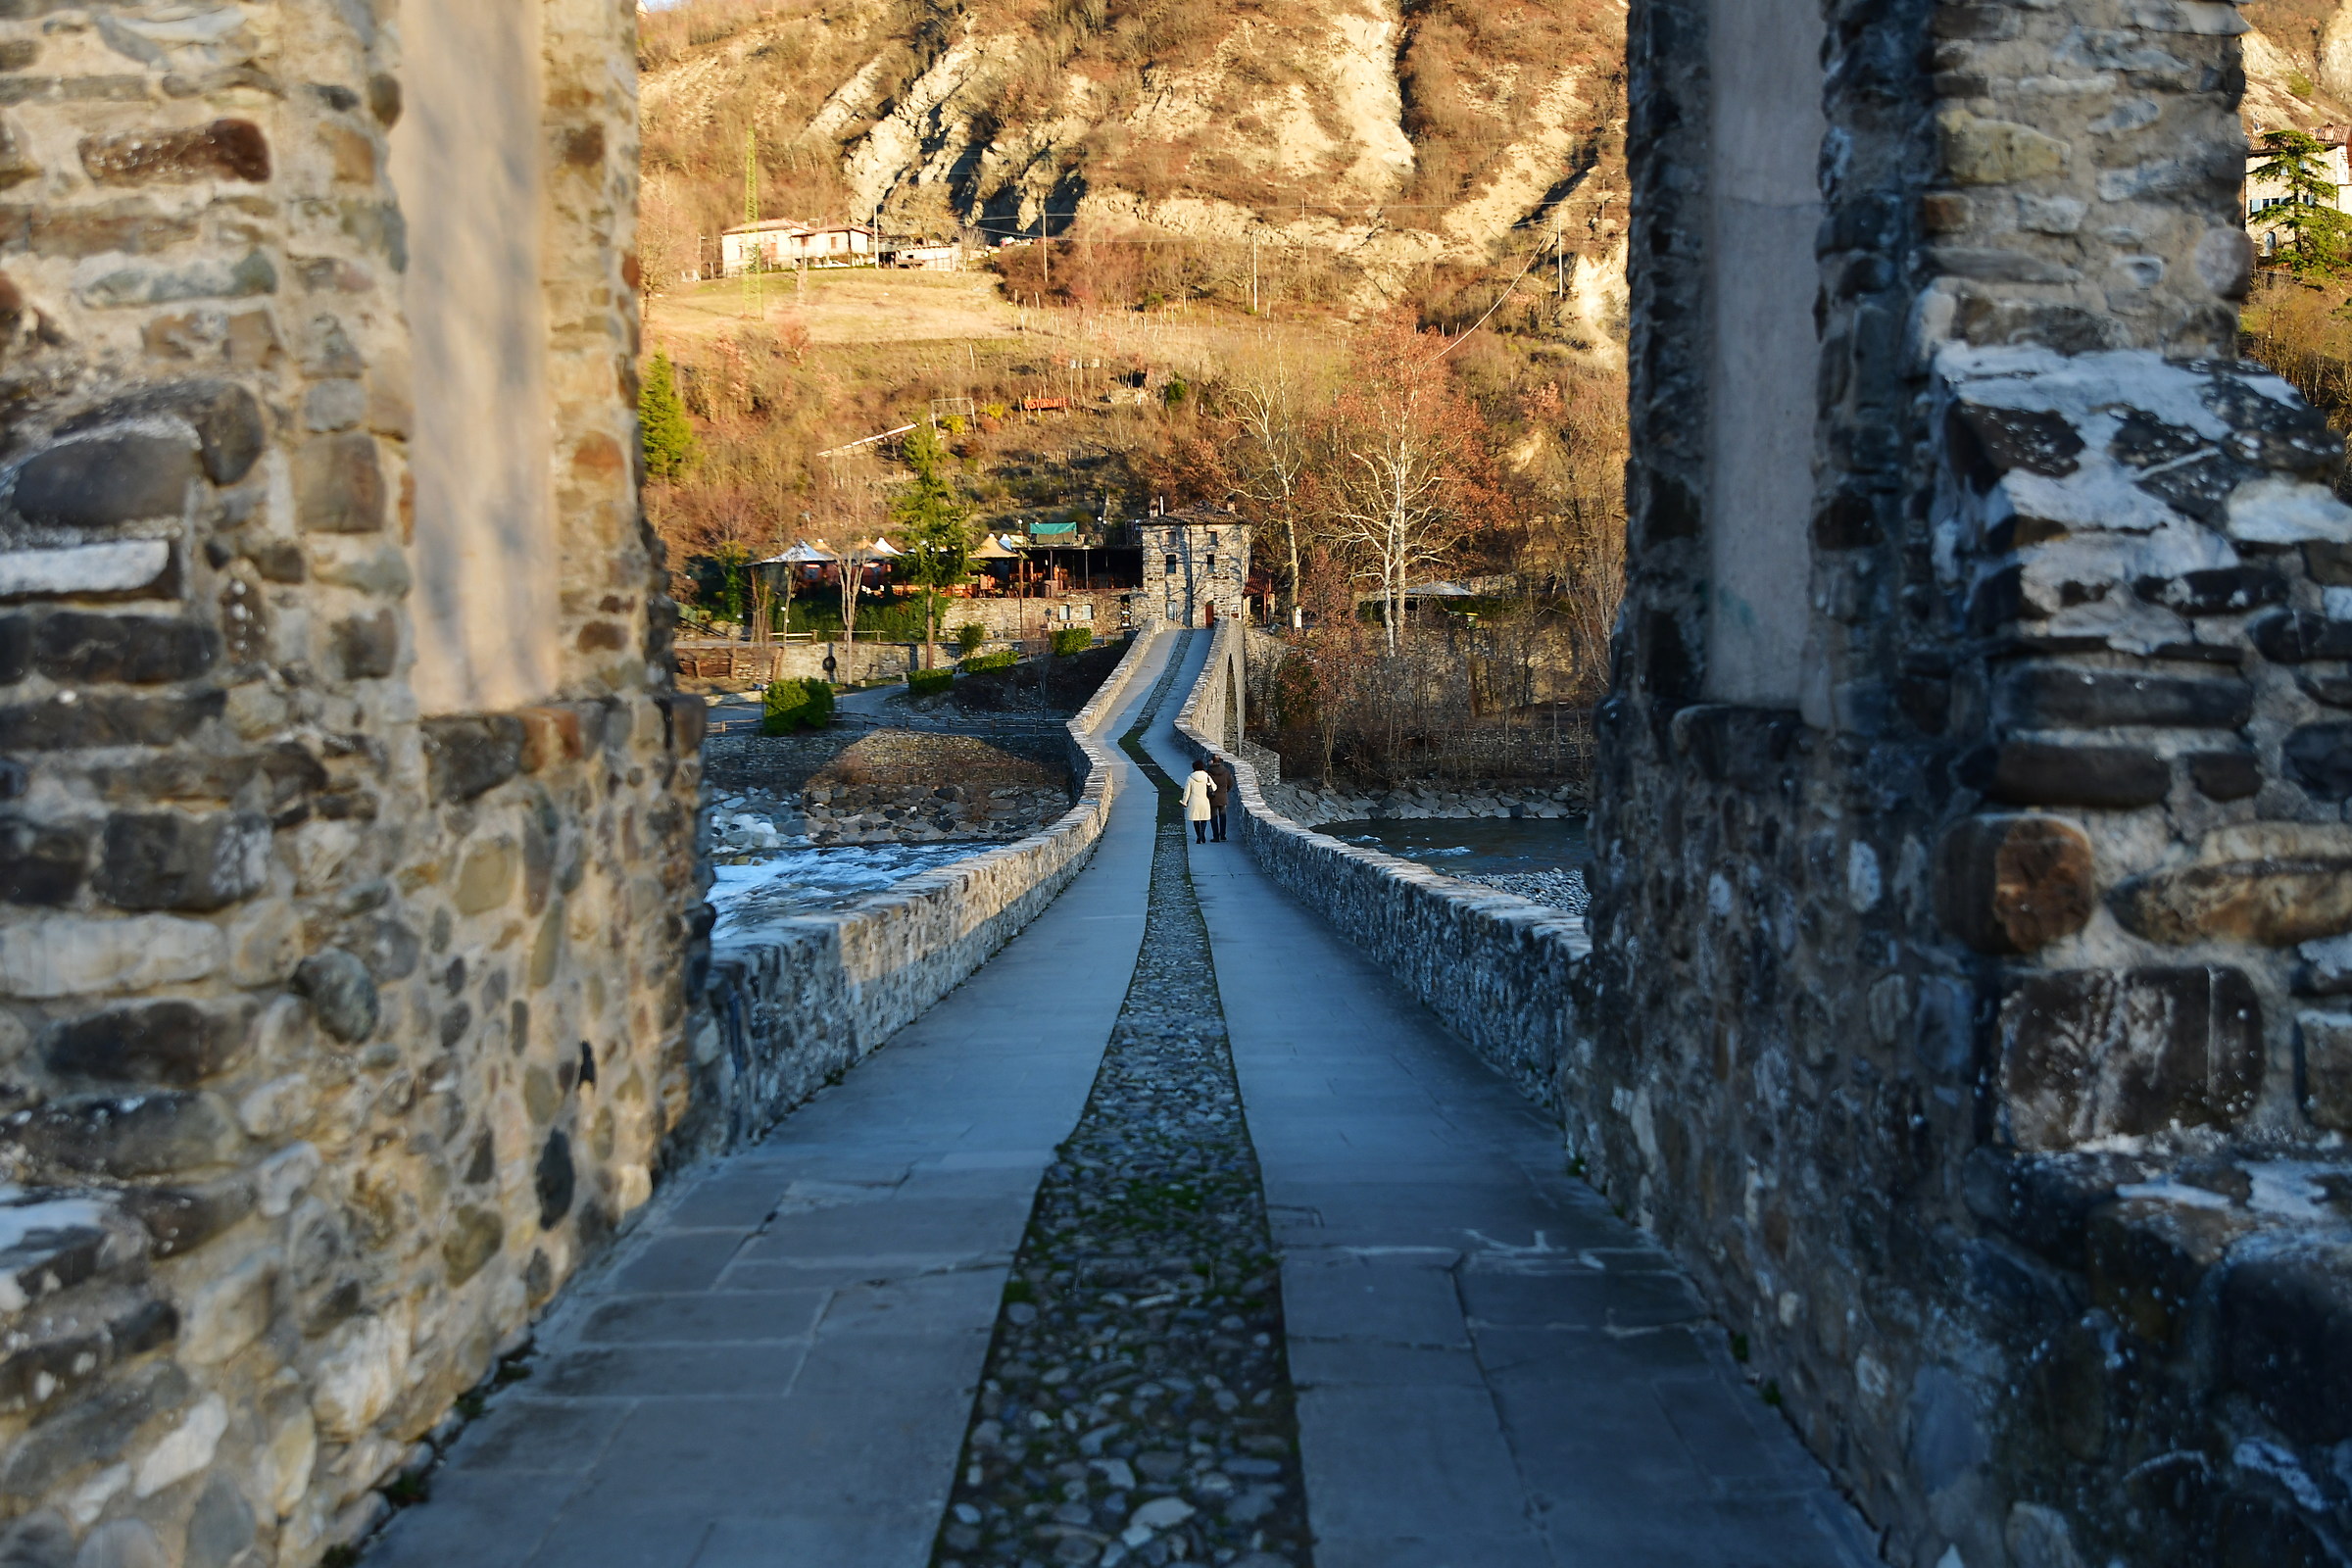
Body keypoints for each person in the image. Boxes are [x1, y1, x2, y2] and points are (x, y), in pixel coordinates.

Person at [1181, 760, 1215, 844]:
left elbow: (1187, 792)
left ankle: (1198, 836)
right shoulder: (1207, 776)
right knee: (1204, 819)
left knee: (1195, 819)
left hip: (1194, 801)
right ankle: (1203, 833)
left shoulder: (1190, 778)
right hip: (1204, 800)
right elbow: (1214, 787)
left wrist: (1184, 802)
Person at [1206, 753, 1235, 843]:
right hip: (1223, 795)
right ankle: (1223, 835)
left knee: (1214, 816)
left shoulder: (1208, 772)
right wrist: (1226, 790)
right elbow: (1230, 783)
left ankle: (1216, 836)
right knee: (1223, 815)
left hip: (1213, 796)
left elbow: (1206, 784)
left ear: (1212, 761)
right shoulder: (1226, 771)